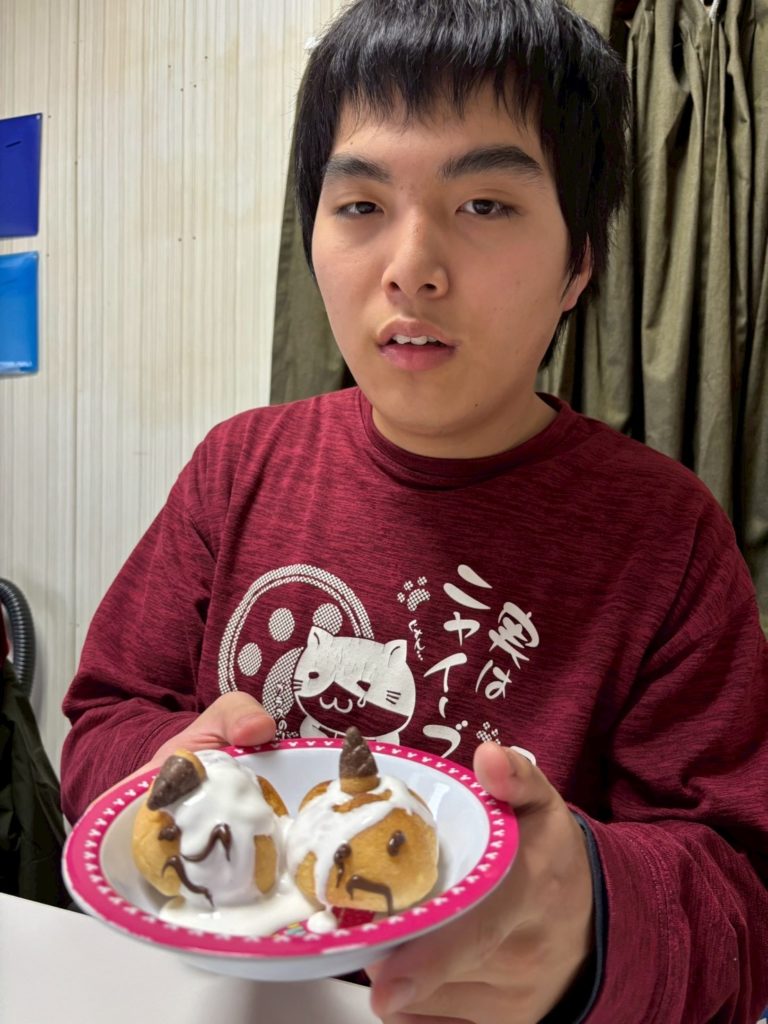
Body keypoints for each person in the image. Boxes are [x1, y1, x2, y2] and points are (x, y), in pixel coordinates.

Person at [60, 1, 768, 1021]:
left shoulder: (667, 534)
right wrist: (162, 771)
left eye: (485, 203)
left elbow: (740, 888)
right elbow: (102, 719)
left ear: (579, 262)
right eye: (360, 205)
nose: (410, 267)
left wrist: (590, 915)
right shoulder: (237, 467)